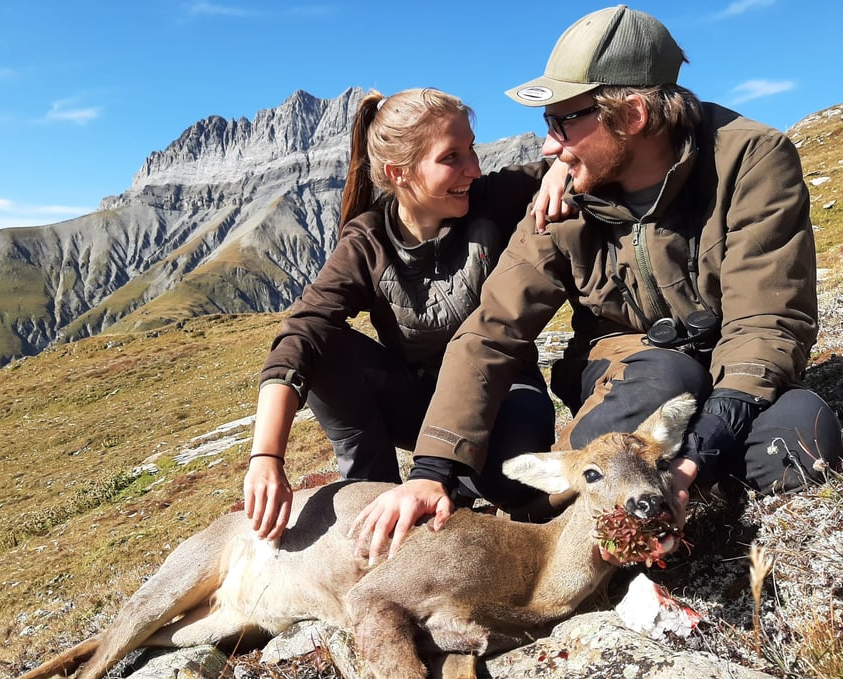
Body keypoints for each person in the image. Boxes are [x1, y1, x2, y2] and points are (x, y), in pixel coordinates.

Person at [353, 5, 843, 563]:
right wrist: (432, 469)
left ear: (631, 114)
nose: (548, 146)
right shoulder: (563, 199)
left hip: (736, 374)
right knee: (661, 377)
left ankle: (675, 484)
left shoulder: (752, 159)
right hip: (635, 371)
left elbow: (766, 324)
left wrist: (692, 460)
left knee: (801, 442)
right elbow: (493, 331)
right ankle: (643, 485)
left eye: (561, 123)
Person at [244, 88, 571, 540]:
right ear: (399, 173)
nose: (473, 169)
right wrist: (266, 458)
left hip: (507, 390)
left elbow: (583, 157)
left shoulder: (495, 198)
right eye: (452, 157)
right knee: (325, 347)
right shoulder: (368, 240)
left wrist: (560, 172)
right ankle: (371, 495)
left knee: (508, 483)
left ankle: (452, 486)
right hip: (419, 401)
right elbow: (302, 332)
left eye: (472, 150)